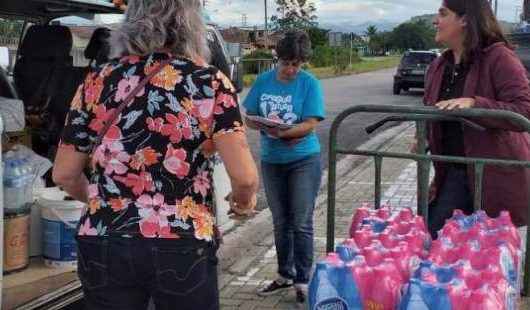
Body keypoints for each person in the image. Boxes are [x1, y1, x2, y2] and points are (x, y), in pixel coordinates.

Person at [52, 1, 259, 309]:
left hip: (104, 238)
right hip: (182, 241)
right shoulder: (208, 81)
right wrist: (243, 204)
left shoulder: (96, 81)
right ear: (191, 25)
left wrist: (104, 201)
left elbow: (64, 175)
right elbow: (244, 177)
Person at [424, 0, 530, 238]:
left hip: (492, 179)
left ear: (464, 19)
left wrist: (475, 103)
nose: (435, 20)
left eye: (443, 13)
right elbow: (433, 110)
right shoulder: (439, 66)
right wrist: (421, 135)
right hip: (451, 173)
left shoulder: (499, 57)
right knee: (438, 247)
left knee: (474, 257)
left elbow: (524, 110)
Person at [243, 30, 325, 305]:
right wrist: (265, 126)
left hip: (304, 159)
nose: (291, 69)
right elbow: (250, 117)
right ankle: (284, 274)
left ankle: (303, 279)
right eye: (286, 62)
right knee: (281, 222)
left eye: (297, 64)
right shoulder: (264, 80)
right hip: (272, 160)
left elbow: (311, 122)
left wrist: (288, 132)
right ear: (277, 59)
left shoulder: (309, 83)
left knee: (301, 221)